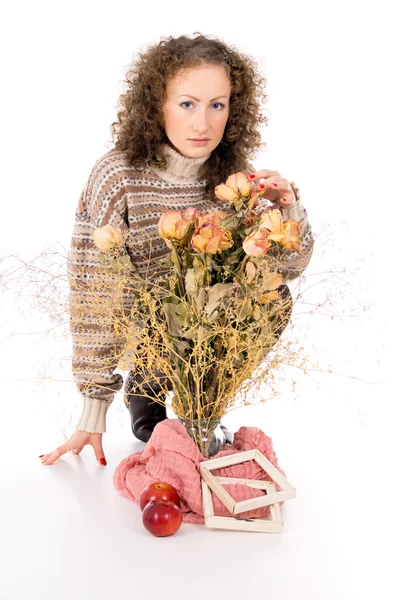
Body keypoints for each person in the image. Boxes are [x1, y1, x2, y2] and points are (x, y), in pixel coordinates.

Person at [39, 33, 314, 466]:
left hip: (201, 332)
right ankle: (147, 387)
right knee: (165, 300)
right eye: (187, 103)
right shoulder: (117, 176)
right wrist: (93, 412)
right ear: (156, 106)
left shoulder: (233, 181)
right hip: (145, 324)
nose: (202, 124)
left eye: (217, 105)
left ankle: (198, 410)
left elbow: (286, 269)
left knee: (271, 299)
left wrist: (287, 208)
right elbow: (96, 294)